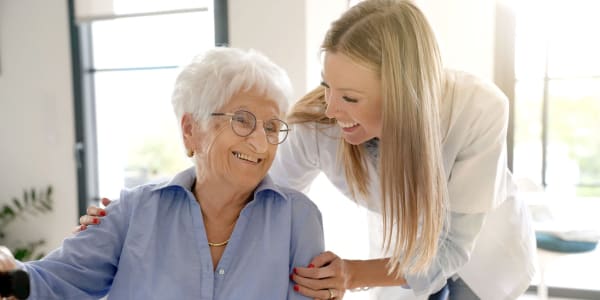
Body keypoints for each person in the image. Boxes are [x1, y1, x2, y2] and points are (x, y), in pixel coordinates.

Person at [79, 0, 537, 299]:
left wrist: (353, 274)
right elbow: (245, 189)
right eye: (327, 85)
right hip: (405, 256)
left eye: (352, 99)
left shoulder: (478, 109)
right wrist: (137, 213)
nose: (332, 108)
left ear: (403, 95)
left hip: (484, 258)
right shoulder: (319, 124)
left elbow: (452, 248)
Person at [0, 47, 325, 299]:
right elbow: (50, 282)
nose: (259, 142)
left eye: (271, 126)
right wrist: (7, 268)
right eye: (242, 120)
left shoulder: (298, 219)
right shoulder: (131, 212)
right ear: (191, 130)